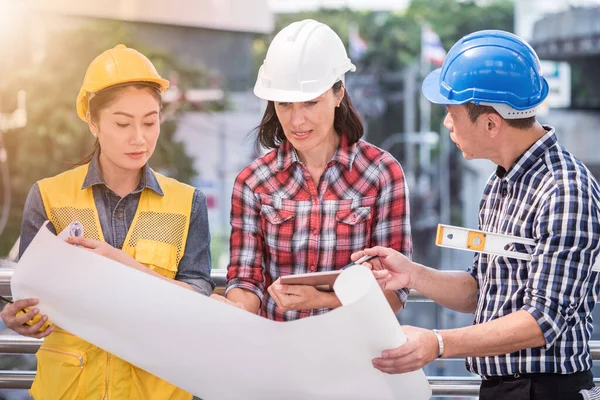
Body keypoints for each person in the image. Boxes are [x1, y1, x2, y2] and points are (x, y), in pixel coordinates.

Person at [353, 30, 600, 399]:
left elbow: (541, 321)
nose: (446, 124)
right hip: (504, 388)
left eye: (452, 113)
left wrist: (437, 343)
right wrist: (412, 273)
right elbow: (482, 291)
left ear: (490, 123)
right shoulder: (501, 183)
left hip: (546, 391)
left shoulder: (564, 189)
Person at [0, 44, 214, 399]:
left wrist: (123, 266)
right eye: (122, 123)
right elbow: (32, 298)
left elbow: (198, 306)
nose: (139, 138)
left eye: (150, 121)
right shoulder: (48, 197)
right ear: (93, 121)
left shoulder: (187, 202)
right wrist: (19, 319)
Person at [223, 19, 412, 321]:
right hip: (279, 355)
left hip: (356, 354)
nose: (297, 121)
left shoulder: (381, 173)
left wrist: (323, 299)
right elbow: (246, 279)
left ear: (339, 93)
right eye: (284, 104)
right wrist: (232, 308)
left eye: (310, 102)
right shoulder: (253, 182)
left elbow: (393, 294)